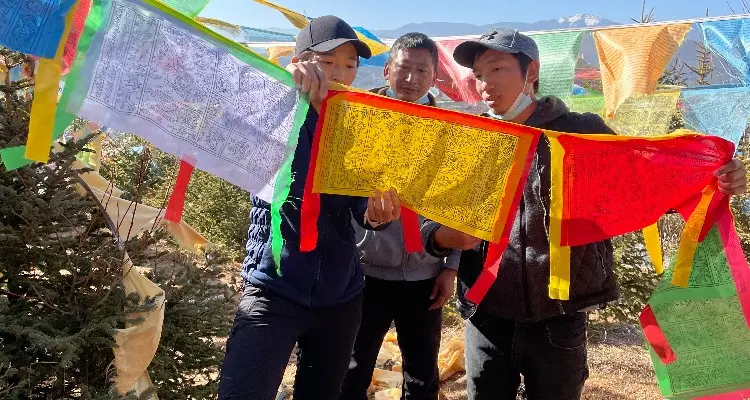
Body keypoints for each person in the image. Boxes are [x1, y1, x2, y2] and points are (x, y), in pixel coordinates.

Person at [420, 28, 749, 400]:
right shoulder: (473, 139)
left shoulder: (582, 133)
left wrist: (714, 179)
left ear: (531, 73)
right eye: (478, 75)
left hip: (560, 313)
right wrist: (441, 237)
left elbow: (642, 190)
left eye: (497, 69)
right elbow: (432, 213)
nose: (484, 85)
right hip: (486, 311)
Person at [218, 15, 403, 400]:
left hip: (341, 294)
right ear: (302, 61)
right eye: (329, 61)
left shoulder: (357, 127)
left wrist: (374, 215)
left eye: (350, 65)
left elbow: (357, 206)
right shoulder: (273, 109)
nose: (340, 73)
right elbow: (247, 152)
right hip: (274, 287)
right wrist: (289, 96)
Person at [338, 33, 459, 400]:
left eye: (422, 70)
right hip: (364, 270)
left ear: (434, 77)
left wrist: (450, 267)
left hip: (425, 271)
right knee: (354, 366)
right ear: (388, 69)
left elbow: (459, 204)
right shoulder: (359, 116)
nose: (411, 78)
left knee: (422, 372)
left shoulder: (449, 130)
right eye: (404, 68)